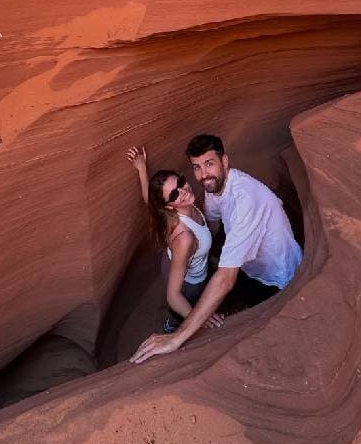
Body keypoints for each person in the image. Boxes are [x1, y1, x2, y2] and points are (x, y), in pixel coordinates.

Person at [130, 134, 303, 363]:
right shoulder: (189, 225)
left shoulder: (241, 201)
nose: (203, 175)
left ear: (225, 161)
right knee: (193, 306)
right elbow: (177, 291)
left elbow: (225, 275)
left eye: (209, 164)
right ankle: (173, 326)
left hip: (276, 275)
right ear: (169, 205)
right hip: (208, 275)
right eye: (197, 168)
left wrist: (177, 339)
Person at [125, 146, 224, 333]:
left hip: (174, 260)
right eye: (174, 195)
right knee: (183, 308)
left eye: (180, 183)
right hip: (189, 282)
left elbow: (151, 202)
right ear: (169, 205)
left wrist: (141, 169)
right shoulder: (184, 238)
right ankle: (172, 325)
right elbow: (173, 296)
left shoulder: (175, 211)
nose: (183, 191)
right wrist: (200, 316)